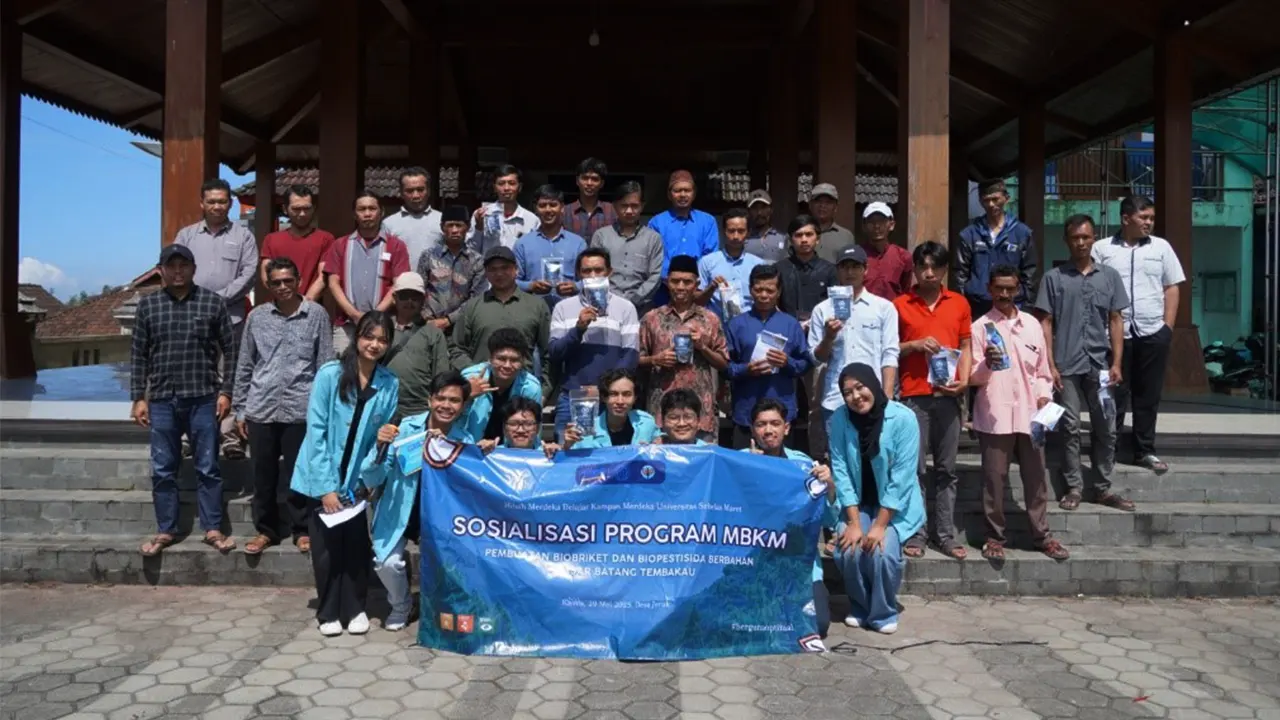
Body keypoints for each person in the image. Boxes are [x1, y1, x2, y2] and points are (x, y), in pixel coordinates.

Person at [290, 312, 399, 636]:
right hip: (320, 477)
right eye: (369, 336)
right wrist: (326, 488)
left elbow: (381, 439)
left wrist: (365, 483)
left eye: (382, 339)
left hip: (356, 485)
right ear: (357, 337)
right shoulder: (330, 375)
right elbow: (316, 433)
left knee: (355, 547)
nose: (375, 344)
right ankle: (328, 613)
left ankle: (355, 608)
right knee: (325, 552)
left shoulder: (389, 383)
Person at [131, 244, 236, 557]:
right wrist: (138, 397)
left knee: (208, 467)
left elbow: (231, 350)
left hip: (203, 398)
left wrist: (226, 391)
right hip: (162, 399)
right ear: (161, 270)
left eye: (183, 266)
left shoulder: (212, 303)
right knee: (163, 468)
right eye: (171, 266)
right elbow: (137, 354)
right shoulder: (148, 306)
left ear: (193, 268)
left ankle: (213, 528)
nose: (178, 272)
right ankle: (166, 529)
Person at [233, 257, 333, 556]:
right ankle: (266, 530)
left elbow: (325, 365)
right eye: (276, 282)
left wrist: (324, 411)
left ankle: (302, 530)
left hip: (301, 409)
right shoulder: (257, 317)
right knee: (262, 475)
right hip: (261, 407)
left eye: (288, 280)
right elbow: (245, 363)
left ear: (298, 280)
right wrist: (240, 408)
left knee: (299, 474)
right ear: (268, 284)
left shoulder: (316, 315)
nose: (283, 286)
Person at [969, 265, 1070, 561]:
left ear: (1018, 290)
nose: (1003, 294)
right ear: (989, 289)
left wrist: (1043, 398)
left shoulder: (1032, 325)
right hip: (994, 413)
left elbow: (1042, 373)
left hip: (1031, 414)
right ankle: (994, 537)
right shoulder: (980, 327)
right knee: (994, 479)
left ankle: (1042, 536)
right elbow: (973, 377)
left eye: (1009, 289)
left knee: (1036, 477)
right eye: (998, 288)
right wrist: (986, 362)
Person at [1036, 214, 1134, 512]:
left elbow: (1116, 320)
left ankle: (1103, 487)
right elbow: (1045, 322)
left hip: (1101, 364)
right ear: (1066, 241)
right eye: (1075, 238)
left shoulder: (1109, 277)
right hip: (1066, 365)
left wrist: (1117, 362)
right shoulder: (1054, 278)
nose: (1081, 243)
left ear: (1094, 239)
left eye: (1086, 237)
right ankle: (1074, 486)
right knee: (1069, 426)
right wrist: (1049, 364)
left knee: (1106, 424)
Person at [363, 370, 472, 631]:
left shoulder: (464, 440)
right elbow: (372, 476)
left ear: (463, 405)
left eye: (454, 401)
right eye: (441, 398)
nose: (446, 405)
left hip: (438, 518)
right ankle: (401, 605)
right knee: (387, 563)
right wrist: (379, 447)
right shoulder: (404, 430)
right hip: (400, 510)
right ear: (429, 400)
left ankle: (439, 606)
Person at [1091, 195, 1186, 475]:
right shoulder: (1102, 249)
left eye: (1151, 218)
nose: (1149, 223)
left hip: (1152, 331)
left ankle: (1145, 450)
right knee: (1113, 394)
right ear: (1125, 218)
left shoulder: (1162, 248)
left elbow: (1172, 287)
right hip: (1114, 334)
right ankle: (1110, 448)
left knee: (1148, 394)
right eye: (1144, 218)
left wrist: (1167, 327)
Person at [829, 363, 925, 635]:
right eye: (847, 392)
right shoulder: (839, 419)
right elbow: (841, 470)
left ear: (873, 383)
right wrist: (854, 522)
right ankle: (860, 605)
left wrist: (880, 525)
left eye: (860, 387)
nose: (855, 396)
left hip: (893, 508)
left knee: (882, 552)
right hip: (856, 503)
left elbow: (902, 478)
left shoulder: (903, 418)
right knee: (849, 547)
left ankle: (883, 610)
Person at [893, 241, 972, 560]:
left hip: (949, 395)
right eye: (922, 267)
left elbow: (966, 345)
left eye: (935, 267)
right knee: (914, 470)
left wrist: (964, 382)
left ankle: (945, 534)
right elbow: (888, 348)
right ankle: (916, 532)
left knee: (947, 469)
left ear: (944, 270)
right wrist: (913, 345)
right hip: (914, 396)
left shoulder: (959, 303)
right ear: (913, 269)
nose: (928, 273)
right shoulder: (900, 304)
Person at [174, 177, 259, 459]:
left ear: (230, 204)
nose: (217, 206)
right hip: (191, 318)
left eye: (222, 201)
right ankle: (188, 434)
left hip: (231, 318)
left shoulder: (243, 236)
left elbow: (250, 272)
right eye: (211, 201)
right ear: (202, 203)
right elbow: (176, 271)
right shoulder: (186, 236)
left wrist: (218, 300)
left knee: (230, 376)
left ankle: (229, 435)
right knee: (192, 375)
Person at [742, 398, 839, 638]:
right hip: (754, 561)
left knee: (820, 624)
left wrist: (829, 487)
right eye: (761, 424)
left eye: (775, 423)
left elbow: (827, 519)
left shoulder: (804, 465)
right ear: (753, 429)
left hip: (799, 565)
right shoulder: (740, 461)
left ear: (786, 427)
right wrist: (752, 471)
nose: (768, 430)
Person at [808, 246, 899, 459]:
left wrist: (886, 396)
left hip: (873, 397)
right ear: (837, 271)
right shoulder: (822, 309)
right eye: (845, 267)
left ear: (865, 270)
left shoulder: (883, 308)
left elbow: (890, 353)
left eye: (856, 267)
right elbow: (815, 358)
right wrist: (829, 337)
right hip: (835, 399)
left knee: (877, 459)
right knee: (840, 463)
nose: (850, 272)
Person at [549, 248, 640, 439]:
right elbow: (555, 352)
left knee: (610, 456)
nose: (593, 276)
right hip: (572, 396)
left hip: (612, 398)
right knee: (567, 455)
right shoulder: (563, 307)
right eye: (586, 271)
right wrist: (578, 329)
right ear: (578, 274)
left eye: (598, 270)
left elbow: (630, 355)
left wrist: (605, 389)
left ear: (609, 272)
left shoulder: (625, 308)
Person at [638, 255, 729, 443]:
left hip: (700, 411)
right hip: (661, 409)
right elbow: (636, 359)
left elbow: (723, 363)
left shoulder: (710, 319)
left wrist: (702, 347)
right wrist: (656, 359)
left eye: (687, 282)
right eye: (675, 281)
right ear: (667, 282)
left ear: (696, 284)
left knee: (701, 465)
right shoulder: (652, 318)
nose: (680, 287)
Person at [726, 264, 811, 450]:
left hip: (781, 412)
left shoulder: (791, 324)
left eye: (769, 290)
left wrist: (787, 363)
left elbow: (805, 363)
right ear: (750, 290)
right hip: (747, 410)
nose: (764, 295)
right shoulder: (736, 324)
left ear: (778, 291)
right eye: (758, 290)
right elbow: (725, 367)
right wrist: (745, 369)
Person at [449, 247, 551, 388]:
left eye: (505, 268)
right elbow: (456, 348)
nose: (499, 273)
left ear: (516, 270)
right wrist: (475, 374)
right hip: (482, 390)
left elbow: (549, 353)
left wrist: (544, 392)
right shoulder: (472, 306)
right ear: (486, 273)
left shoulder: (536, 306)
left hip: (521, 391)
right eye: (493, 269)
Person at [324, 191, 411, 355]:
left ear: (381, 212)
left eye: (372, 208)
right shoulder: (340, 245)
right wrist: (355, 314)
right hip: (347, 325)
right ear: (354, 214)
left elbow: (398, 284)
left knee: (381, 372)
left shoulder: (396, 246)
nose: (367, 213)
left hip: (383, 324)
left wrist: (375, 314)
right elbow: (333, 283)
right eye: (362, 209)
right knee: (343, 371)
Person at [955, 179, 1037, 318]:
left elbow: (1030, 273)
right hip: (978, 308)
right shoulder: (969, 235)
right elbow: (960, 275)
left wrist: (1027, 307)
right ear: (981, 202)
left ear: (1006, 198)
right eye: (986, 200)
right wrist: (964, 307)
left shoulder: (1022, 233)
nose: (991, 204)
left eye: (995, 199)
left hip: (1012, 306)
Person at [591, 181, 664, 314]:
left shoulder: (653, 239)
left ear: (642, 206)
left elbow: (655, 276)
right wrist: (610, 300)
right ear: (615, 206)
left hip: (640, 310)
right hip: (606, 307)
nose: (629, 211)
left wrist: (633, 300)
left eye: (634, 206)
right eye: (624, 206)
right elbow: (594, 273)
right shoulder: (601, 236)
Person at [458, 329, 543, 443]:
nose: (507, 365)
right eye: (501, 359)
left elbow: (533, 429)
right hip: (471, 447)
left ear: (522, 361)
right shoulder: (470, 378)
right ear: (490, 358)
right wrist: (467, 398)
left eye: (514, 360)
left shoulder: (531, 387)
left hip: (509, 451)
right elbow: (453, 421)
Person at [648, 170, 719, 305]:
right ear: (669, 195)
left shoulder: (708, 221)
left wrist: (693, 282)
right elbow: (655, 257)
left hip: (698, 289)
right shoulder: (657, 222)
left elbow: (710, 257)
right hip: (665, 289)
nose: (682, 195)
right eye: (677, 191)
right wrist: (673, 281)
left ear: (694, 194)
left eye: (687, 190)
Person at [515, 184, 588, 310]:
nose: (548, 210)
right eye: (542, 205)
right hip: (532, 309)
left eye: (553, 205)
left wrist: (575, 287)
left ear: (562, 208)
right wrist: (530, 286)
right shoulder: (522, 244)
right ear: (535, 209)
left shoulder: (578, 243)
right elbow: (512, 281)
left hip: (570, 310)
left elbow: (590, 280)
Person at [260, 185, 334, 303]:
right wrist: (284, 299)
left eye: (307, 208)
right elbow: (266, 274)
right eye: (296, 209)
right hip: (278, 309)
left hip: (311, 307)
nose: (302, 214)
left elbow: (323, 276)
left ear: (314, 208)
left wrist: (305, 303)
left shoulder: (326, 239)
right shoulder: (271, 240)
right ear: (285, 209)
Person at [418, 205, 484, 334]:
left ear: (468, 227)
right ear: (442, 227)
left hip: (462, 327)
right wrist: (427, 317)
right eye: (450, 225)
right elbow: (419, 290)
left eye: (459, 225)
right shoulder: (428, 256)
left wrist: (449, 320)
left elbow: (476, 298)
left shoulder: (477, 261)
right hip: (428, 325)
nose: (454, 230)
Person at [698, 208, 764, 326]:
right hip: (716, 328)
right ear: (724, 232)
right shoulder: (706, 262)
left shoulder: (758, 265)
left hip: (751, 327)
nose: (735, 236)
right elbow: (697, 302)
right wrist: (711, 288)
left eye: (741, 231)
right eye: (731, 231)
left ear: (748, 232)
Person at [565, 368, 661, 449]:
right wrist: (567, 446)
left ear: (635, 398)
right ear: (603, 397)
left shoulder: (647, 423)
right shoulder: (586, 430)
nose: (620, 401)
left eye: (627, 394)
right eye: (613, 394)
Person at [776, 214, 838, 322]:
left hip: (821, 331)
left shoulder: (830, 270)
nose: (804, 239)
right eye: (798, 235)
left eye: (809, 234)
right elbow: (773, 303)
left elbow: (835, 305)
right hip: (787, 330)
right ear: (791, 240)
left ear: (817, 239)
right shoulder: (779, 269)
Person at [468, 164, 539, 256]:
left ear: (520, 187)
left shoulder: (531, 220)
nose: (506, 188)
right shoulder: (482, 214)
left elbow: (534, 253)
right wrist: (479, 228)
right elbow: (471, 251)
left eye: (511, 183)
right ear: (494, 188)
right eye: (501, 184)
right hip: (488, 269)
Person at [382, 167, 444, 269]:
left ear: (428, 191)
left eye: (420, 190)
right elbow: (384, 257)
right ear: (401, 193)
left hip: (436, 283)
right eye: (409, 191)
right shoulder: (388, 224)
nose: (415, 195)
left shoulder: (442, 220)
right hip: (402, 283)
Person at [858, 202, 914, 301]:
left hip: (893, 313)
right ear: (864, 226)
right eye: (871, 222)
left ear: (891, 225)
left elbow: (906, 291)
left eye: (882, 221)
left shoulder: (903, 257)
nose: (877, 226)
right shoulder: (857, 255)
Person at [477, 396, 561, 457]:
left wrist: (560, 456)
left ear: (538, 428)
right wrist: (478, 452)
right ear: (504, 428)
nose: (520, 430)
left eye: (528, 424)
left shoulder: (549, 455)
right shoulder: (492, 455)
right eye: (513, 424)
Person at [564, 157, 617, 238]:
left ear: (602, 183)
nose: (589, 183)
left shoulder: (612, 211)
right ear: (577, 181)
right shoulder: (565, 211)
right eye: (585, 178)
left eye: (595, 179)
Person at [384, 272, 428, 363]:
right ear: (395, 298)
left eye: (415, 297)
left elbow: (441, 374)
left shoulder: (433, 334)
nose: (409, 301)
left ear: (423, 300)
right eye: (404, 296)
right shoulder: (381, 327)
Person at [808, 183, 856, 264]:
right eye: (818, 201)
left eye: (828, 202)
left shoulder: (846, 236)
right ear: (810, 205)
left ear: (836, 207)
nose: (822, 205)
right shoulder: (798, 234)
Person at [743, 189, 789, 264]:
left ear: (771, 210)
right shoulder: (743, 239)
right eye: (755, 208)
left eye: (763, 207)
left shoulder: (783, 238)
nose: (759, 213)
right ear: (749, 211)